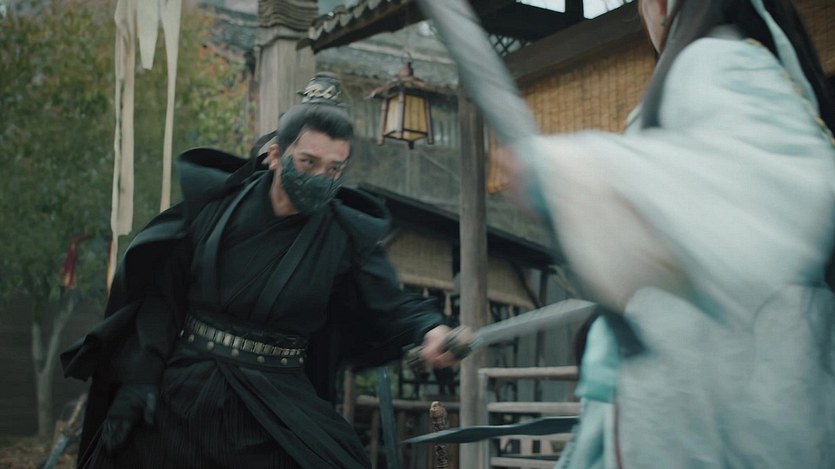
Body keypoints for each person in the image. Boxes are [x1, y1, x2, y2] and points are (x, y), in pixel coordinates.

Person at [495, 0, 835, 467]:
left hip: (721, 421)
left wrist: (584, 173)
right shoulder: (748, 67)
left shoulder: (716, 59)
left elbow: (778, 190)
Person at [62, 72, 455, 469]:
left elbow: (390, 303)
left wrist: (430, 329)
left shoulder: (344, 234)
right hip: (186, 384)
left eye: (334, 169)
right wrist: (140, 380)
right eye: (308, 162)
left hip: (278, 397)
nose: (320, 178)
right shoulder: (217, 206)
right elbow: (163, 299)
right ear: (275, 155)